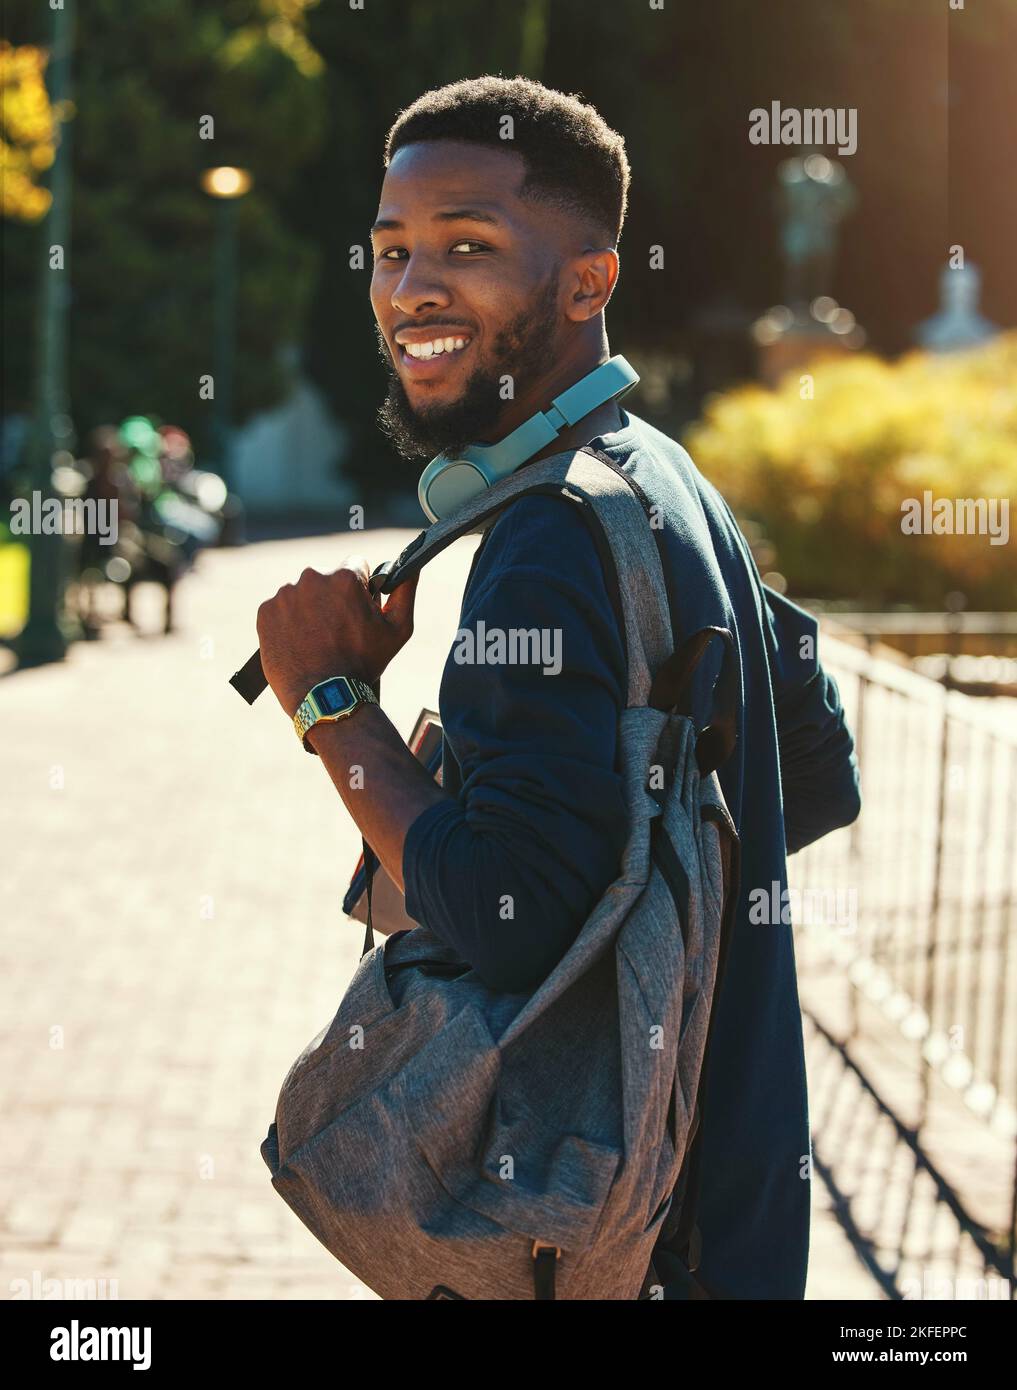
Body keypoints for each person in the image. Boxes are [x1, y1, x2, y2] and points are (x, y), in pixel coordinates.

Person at [255, 75, 862, 1300]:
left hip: (612, 1234)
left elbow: (512, 918)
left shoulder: (547, 535)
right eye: (389, 251)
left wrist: (331, 702)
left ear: (590, 281)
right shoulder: (660, 474)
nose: (412, 286)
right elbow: (813, 772)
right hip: (727, 1207)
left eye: (467, 245)